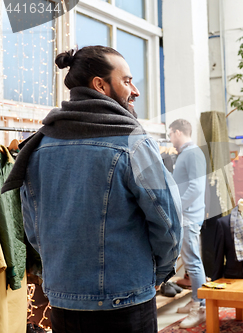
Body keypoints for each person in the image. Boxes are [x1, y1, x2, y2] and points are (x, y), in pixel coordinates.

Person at [1, 46, 182, 333]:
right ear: (100, 85)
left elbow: (33, 229)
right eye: (126, 81)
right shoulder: (131, 142)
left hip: (63, 298)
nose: (134, 90)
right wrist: (159, 272)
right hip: (126, 298)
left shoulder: (38, 145)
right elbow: (168, 221)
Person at [167, 119, 207, 328]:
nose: (170, 139)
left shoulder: (192, 153)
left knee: (192, 262)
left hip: (189, 216)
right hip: (187, 216)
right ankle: (195, 300)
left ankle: (200, 307)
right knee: (191, 261)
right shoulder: (187, 153)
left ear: (177, 132)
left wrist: (175, 208)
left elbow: (196, 188)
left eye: (170, 134)